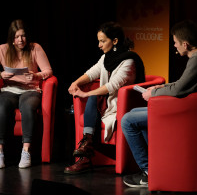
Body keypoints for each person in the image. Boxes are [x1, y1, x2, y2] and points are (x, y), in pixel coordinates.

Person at [121, 19, 197, 188]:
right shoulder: (196, 58)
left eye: (175, 43)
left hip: (183, 112)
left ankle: (149, 171)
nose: (175, 46)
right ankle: (157, 166)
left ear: (185, 44)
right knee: (134, 114)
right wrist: (163, 86)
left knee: (127, 120)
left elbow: (179, 90)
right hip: (181, 109)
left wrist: (153, 93)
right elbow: (183, 83)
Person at [64, 21, 145, 174]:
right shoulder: (106, 58)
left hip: (121, 105)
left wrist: (86, 94)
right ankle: (86, 148)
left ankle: (85, 152)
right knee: (94, 97)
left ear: (114, 41)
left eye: (102, 41)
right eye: (99, 41)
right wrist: (75, 83)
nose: (99, 45)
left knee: (94, 96)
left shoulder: (129, 61)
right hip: (106, 104)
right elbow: (92, 73)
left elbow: (113, 85)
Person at [0, 19, 53, 169]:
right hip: (9, 88)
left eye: (22, 36)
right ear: (11, 38)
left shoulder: (35, 48)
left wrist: (36, 76)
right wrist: (1, 75)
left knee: (28, 108)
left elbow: (48, 71)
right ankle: (0, 151)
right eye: (16, 37)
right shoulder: (3, 49)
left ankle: (26, 150)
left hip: (30, 89)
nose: (20, 40)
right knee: (2, 107)